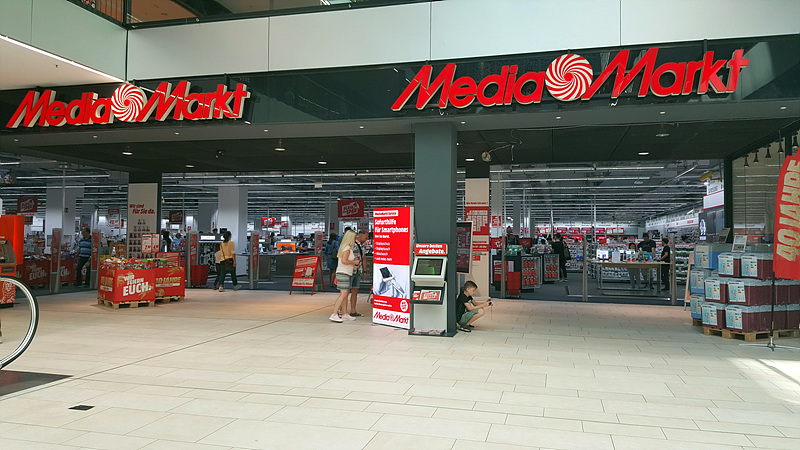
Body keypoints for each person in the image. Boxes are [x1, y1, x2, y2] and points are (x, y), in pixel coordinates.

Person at [330, 230, 360, 323]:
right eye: (354, 237)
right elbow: (344, 261)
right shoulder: (347, 248)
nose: (355, 239)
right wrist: (354, 262)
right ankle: (334, 313)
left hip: (345, 272)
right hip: (344, 273)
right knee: (343, 294)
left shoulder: (345, 247)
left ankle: (344, 313)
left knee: (345, 294)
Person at [348, 230, 368, 317]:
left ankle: (353, 310)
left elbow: (364, 258)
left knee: (355, 291)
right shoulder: (351, 245)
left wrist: (364, 270)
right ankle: (341, 310)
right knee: (345, 292)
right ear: (360, 235)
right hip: (350, 270)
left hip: (358, 271)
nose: (367, 239)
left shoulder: (363, 247)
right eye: (366, 237)